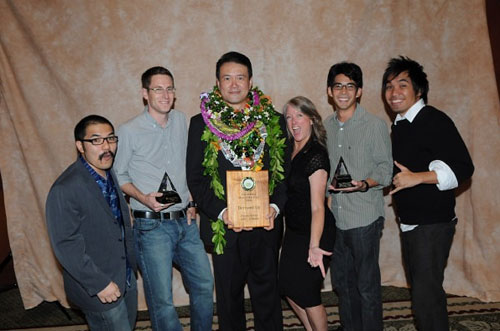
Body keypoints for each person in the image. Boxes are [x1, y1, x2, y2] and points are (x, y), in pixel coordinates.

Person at [186, 51, 289, 331]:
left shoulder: (273, 121)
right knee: (229, 302)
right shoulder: (200, 123)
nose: (234, 84)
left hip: (265, 226)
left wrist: (275, 208)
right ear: (218, 84)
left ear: (250, 81)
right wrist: (223, 211)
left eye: (240, 77)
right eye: (227, 78)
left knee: (268, 298)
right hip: (225, 227)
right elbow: (195, 179)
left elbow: (284, 176)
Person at [113, 66, 214, 331]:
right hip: (152, 227)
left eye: (169, 88)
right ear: (145, 94)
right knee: (162, 301)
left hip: (186, 224)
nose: (165, 94)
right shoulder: (129, 130)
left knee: (204, 284)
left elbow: (190, 168)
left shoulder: (182, 121)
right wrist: (143, 198)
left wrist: (192, 202)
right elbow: (118, 174)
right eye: (158, 89)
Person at [383, 56, 474, 331]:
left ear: (419, 90)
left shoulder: (433, 119)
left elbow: (463, 167)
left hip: (432, 225)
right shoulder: (400, 125)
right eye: (388, 86)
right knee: (423, 293)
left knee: (426, 298)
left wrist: (416, 178)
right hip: (412, 223)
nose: (393, 93)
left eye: (402, 84)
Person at [46, 115, 137, 330]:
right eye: (96, 140)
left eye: (111, 139)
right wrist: (99, 284)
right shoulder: (65, 188)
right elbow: (66, 245)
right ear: (80, 146)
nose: (106, 147)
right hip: (99, 286)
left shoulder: (108, 171)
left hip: (124, 275)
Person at [324, 62, 393, 331]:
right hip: (336, 217)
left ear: (359, 91)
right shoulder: (326, 126)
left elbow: (385, 171)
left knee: (366, 286)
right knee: (342, 284)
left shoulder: (375, 125)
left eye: (350, 86)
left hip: (364, 216)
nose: (343, 91)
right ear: (330, 91)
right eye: (338, 85)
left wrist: (364, 184)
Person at [279, 96, 335, 331]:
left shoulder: (316, 154)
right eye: (289, 117)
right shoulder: (289, 150)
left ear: (311, 119)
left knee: (308, 294)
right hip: (293, 231)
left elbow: (318, 206)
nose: (294, 122)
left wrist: (314, 246)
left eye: (299, 115)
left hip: (316, 232)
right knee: (287, 287)